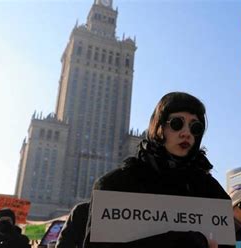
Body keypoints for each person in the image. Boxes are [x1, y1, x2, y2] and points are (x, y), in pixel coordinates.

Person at [83, 92, 232, 248]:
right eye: (177, 124)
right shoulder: (116, 185)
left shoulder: (212, 191)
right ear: (159, 127)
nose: (186, 133)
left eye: (195, 127)